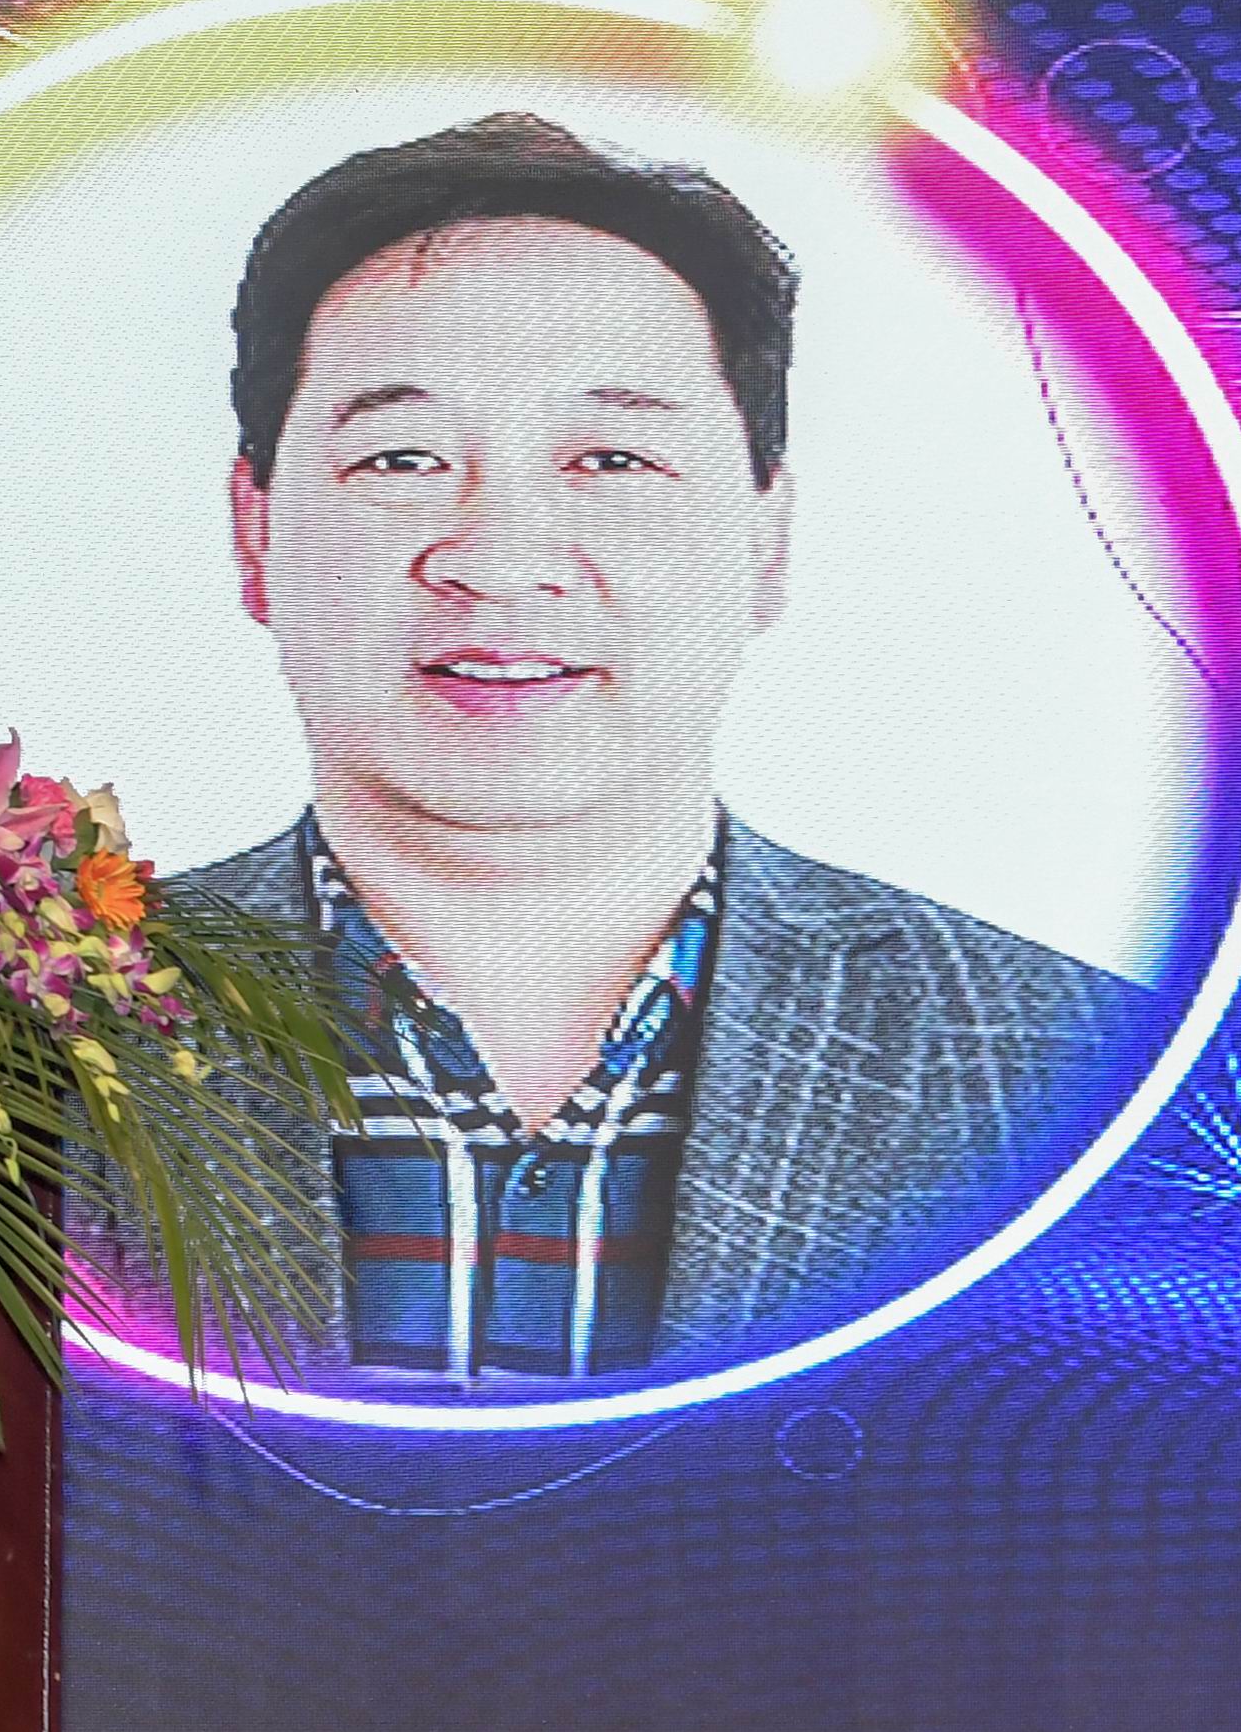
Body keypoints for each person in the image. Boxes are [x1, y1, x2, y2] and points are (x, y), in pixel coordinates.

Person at [178, 113, 1141, 1380]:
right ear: (255, 532)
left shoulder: (1080, 1075)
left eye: (613, 458)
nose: (501, 560)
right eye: (402, 458)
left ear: (765, 539)